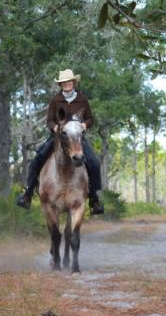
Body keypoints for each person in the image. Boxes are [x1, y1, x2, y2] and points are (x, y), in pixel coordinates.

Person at [16, 69, 104, 215]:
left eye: (69, 81)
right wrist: (56, 127)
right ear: (61, 84)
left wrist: (84, 125)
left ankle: (94, 199)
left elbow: (90, 118)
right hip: (58, 137)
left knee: (94, 163)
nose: (67, 84)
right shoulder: (55, 100)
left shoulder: (82, 99)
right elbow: (49, 120)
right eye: (64, 82)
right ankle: (28, 194)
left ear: (74, 82)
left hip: (76, 137)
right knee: (37, 160)